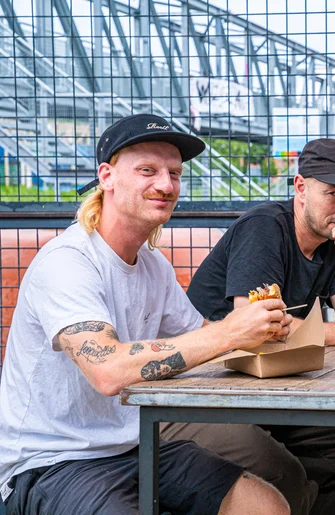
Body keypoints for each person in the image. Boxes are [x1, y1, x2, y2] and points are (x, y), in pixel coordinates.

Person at [0, 114, 293, 515]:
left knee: (266, 505)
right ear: (107, 177)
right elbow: (109, 371)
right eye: (147, 171)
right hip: (50, 461)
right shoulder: (67, 262)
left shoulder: (153, 265)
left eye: (174, 173)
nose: (166, 184)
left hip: (133, 444)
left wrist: (259, 331)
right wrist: (229, 333)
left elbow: (201, 338)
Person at [162, 138, 335, 515]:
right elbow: (258, 328)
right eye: (334, 194)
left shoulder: (334, 236)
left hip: (267, 391)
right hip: (207, 393)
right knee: (282, 472)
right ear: (301, 188)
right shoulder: (265, 227)